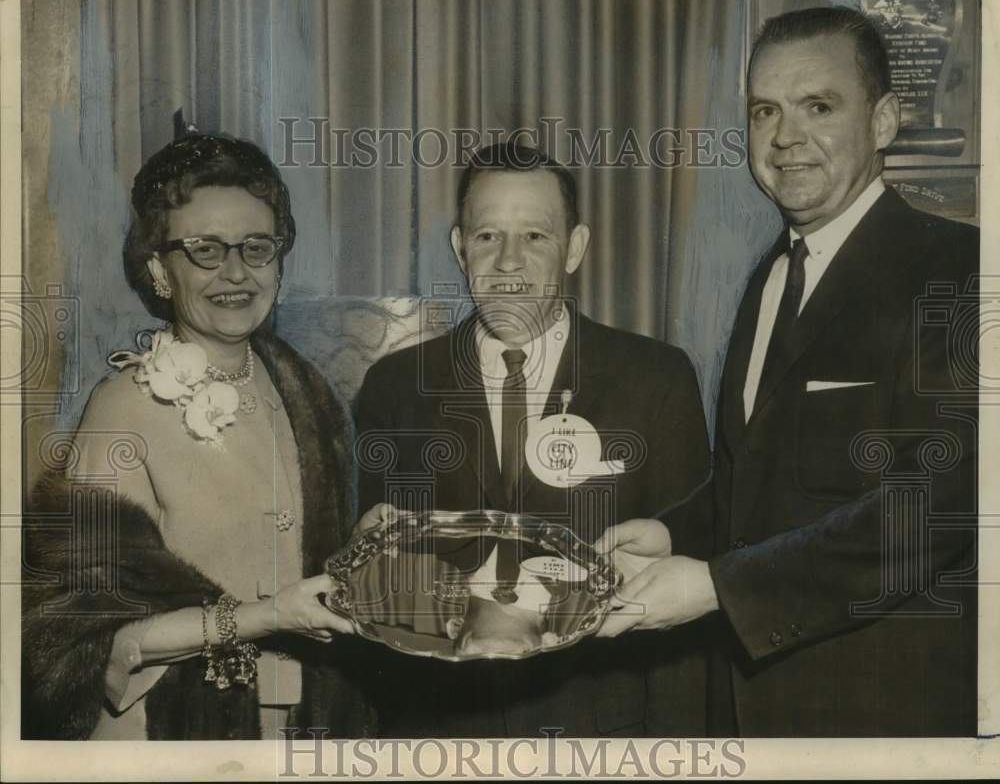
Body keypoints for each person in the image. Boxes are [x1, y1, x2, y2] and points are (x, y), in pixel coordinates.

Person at [597, 6, 978, 737]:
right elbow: (760, 478)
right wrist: (672, 534)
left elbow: (935, 509)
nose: (786, 138)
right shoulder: (772, 273)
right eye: (765, 110)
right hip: (752, 712)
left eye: (819, 107)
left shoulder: (958, 272)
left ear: (886, 121)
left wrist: (716, 585)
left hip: (883, 715)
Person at [22, 130, 373, 740]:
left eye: (256, 247)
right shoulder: (123, 407)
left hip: (308, 723)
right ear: (160, 267)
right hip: (172, 732)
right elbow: (73, 638)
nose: (235, 273)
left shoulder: (303, 385)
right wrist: (265, 617)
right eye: (204, 250)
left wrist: (369, 544)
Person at [354, 141, 711, 737]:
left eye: (536, 237)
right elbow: (375, 574)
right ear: (459, 247)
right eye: (488, 235)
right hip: (436, 724)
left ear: (574, 248)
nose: (508, 262)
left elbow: (696, 554)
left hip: (600, 725)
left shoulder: (656, 378)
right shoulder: (394, 386)